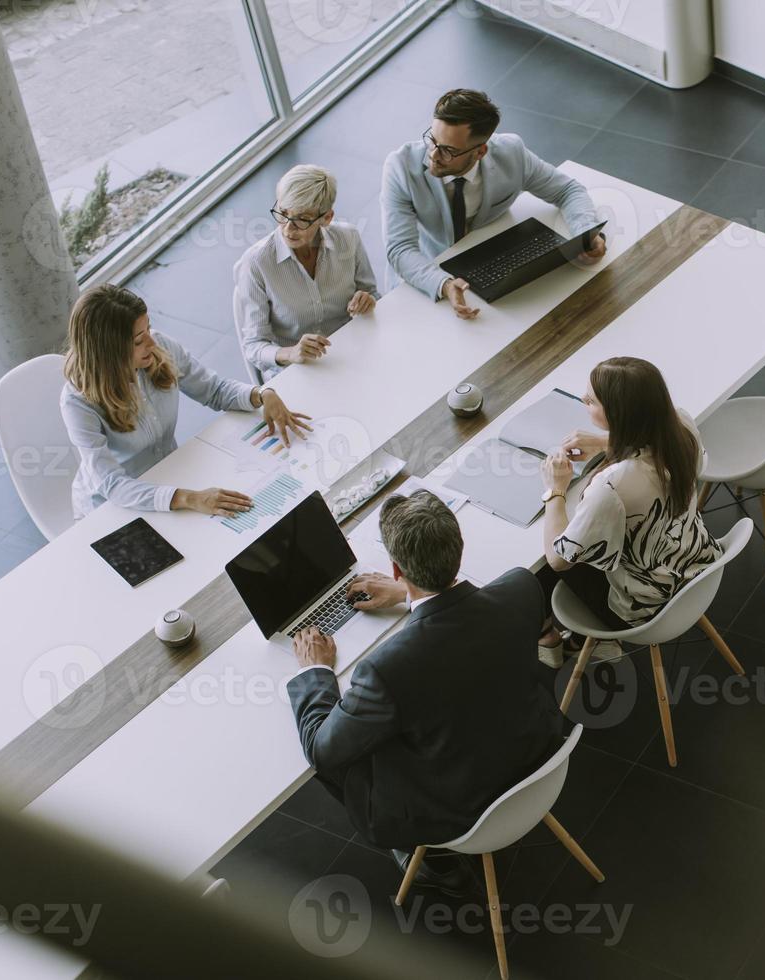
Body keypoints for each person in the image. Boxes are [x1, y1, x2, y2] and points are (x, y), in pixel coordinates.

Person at [287, 490, 567, 894]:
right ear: (458, 546)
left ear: (396, 569)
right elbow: (474, 617)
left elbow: (321, 748)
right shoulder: (521, 589)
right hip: (538, 753)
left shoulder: (385, 669)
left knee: (341, 757)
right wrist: (410, 595)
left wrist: (315, 669)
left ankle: (433, 860)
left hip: (462, 807)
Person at [61, 284, 311, 521]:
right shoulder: (77, 402)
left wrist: (262, 394)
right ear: (108, 352)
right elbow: (112, 484)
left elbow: (214, 390)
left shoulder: (158, 347)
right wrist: (189, 498)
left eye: (148, 329)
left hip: (171, 476)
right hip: (115, 508)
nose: (151, 342)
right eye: (138, 340)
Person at [536, 357, 724, 667]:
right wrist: (605, 442)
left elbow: (558, 559)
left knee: (539, 567)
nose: (583, 400)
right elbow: (657, 444)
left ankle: (565, 638)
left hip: (642, 607)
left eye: (591, 400)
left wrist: (555, 489)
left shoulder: (612, 486)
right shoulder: (683, 426)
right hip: (693, 563)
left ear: (618, 413)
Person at [382, 88, 607, 320]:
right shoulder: (400, 166)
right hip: (429, 272)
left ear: (480, 151)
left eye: (448, 150)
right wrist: (444, 284)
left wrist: (584, 233)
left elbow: (567, 190)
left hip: (492, 260)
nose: (434, 155)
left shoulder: (512, 153)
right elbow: (400, 249)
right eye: (432, 140)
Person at [233, 164, 379, 383]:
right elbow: (254, 346)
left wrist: (367, 299)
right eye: (283, 213)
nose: (288, 229)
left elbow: (371, 292)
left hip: (353, 351)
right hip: (297, 371)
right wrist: (290, 353)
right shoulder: (257, 263)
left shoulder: (349, 238)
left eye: (302, 219)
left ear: (326, 218)